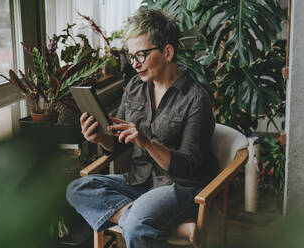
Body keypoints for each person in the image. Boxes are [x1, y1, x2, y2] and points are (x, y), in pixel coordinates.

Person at [66, 9, 217, 248]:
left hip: (178, 185)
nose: (135, 65)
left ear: (167, 52)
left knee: (137, 226)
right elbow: (117, 143)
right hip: (140, 181)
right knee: (78, 188)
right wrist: (100, 138)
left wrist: (146, 142)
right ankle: (170, 226)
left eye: (141, 56)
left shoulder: (196, 100)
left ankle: (140, 221)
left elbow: (188, 167)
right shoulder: (135, 87)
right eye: (131, 56)